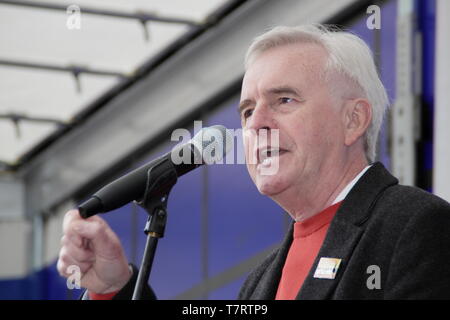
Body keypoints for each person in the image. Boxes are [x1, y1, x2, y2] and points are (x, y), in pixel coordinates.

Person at [57, 24, 450, 300]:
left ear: (353, 120)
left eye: (284, 100)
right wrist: (116, 287)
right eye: (247, 111)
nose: (257, 123)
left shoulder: (414, 225)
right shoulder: (260, 281)